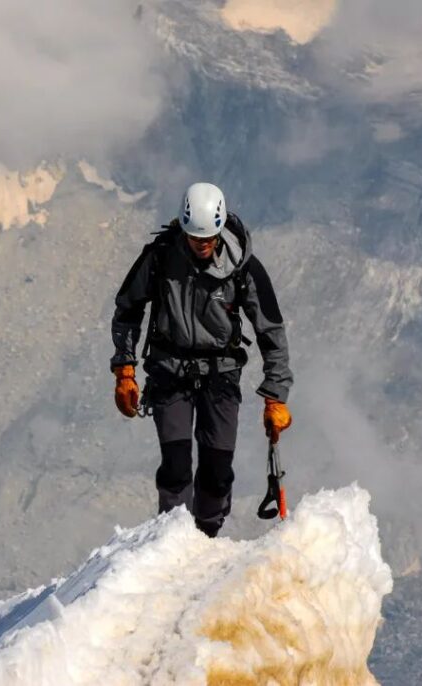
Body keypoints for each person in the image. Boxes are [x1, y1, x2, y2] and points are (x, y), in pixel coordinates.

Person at [110, 182, 294, 537]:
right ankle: (172, 541)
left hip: (221, 376)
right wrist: (125, 370)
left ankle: (207, 537)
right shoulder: (161, 256)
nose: (202, 245)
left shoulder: (243, 267)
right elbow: (128, 309)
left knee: (217, 471)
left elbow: (271, 331)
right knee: (176, 466)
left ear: (220, 228)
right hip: (169, 372)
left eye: (208, 238)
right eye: (196, 238)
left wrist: (276, 396)